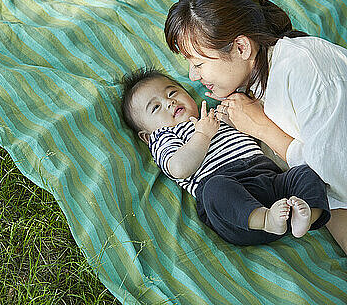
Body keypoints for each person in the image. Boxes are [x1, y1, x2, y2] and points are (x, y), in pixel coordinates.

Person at [164, 0, 347, 254]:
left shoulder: (305, 70)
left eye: (198, 62)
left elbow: (339, 177)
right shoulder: (255, 80)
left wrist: (264, 130)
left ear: (241, 47)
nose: (192, 75)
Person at [120, 68, 330, 245]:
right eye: (155, 107)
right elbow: (178, 168)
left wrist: (233, 121)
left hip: (269, 180)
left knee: (306, 170)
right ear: (146, 137)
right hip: (234, 206)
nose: (169, 103)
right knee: (215, 189)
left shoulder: (211, 116)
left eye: (172, 93)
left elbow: (252, 136)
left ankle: (306, 215)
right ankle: (265, 219)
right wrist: (202, 135)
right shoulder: (163, 137)